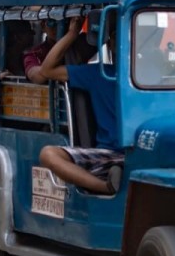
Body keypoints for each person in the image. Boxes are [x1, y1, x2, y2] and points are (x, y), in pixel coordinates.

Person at [37, 16, 123, 195]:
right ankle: (105, 187)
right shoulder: (99, 73)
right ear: (111, 41)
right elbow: (47, 70)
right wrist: (72, 34)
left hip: (147, 154)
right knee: (48, 154)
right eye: (118, 36)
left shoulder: (163, 79)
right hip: (108, 155)